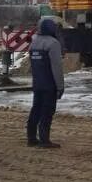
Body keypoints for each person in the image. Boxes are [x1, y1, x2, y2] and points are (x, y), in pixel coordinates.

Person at [27, 17, 65, 148]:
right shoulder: (53, 43)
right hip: (50, 84)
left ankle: (31, 138)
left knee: (36, 109)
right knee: (47, 111)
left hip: (37, 83)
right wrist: (60, 86)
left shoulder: (34, 43)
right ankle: (44, 140)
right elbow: (57, 67)